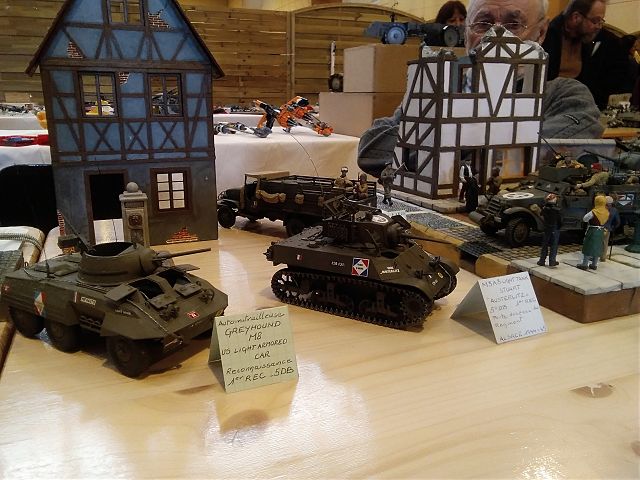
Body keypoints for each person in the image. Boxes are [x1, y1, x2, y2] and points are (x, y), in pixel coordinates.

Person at [358, 0, 605, 177]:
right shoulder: (439, 86)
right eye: (483, 23)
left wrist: (439, 142)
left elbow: (524, 162)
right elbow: (371, 150)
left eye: (513, 24)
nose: (496, 35)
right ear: (466, 33)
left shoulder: (566, 95)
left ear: (541, 33)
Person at [542, 0, 629, 109]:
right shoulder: (546, 38)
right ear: (576, 17)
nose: (599, 27)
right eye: (595, 21)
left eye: (601, 21)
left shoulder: (592, 39)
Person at [577, 194, 609, 270]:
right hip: (601, 231)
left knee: (588, 246)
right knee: (597, 247)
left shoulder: (594, 212)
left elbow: (585, 219)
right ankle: (594, 264)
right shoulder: (606, 212)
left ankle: (585, 264)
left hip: (593, 230)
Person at [537, 193, 562, 267]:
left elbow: (541, 214)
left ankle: (542, 260)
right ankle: (552, 261)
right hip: (554, 228)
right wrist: (560, 226)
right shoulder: (556, 210)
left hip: (547, 227)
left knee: (545, 244)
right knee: (554, 245)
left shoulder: (545, 208)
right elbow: (559, 220)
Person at [601, 195, 621, 261]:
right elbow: (617, 222)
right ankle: (603, 257)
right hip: (607, 229)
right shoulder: (614, 210)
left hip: (599, 228)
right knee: (605, 244)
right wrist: (612, 228)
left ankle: (594, 256)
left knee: (597, 242)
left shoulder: (601, 209)